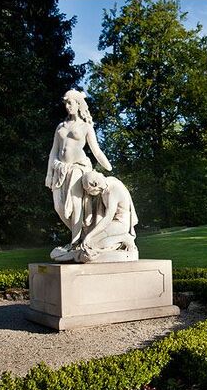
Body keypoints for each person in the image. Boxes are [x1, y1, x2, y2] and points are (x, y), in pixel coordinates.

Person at [45, 89, 112, 259]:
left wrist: (108, 166)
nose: (67, 106)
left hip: (78, 168)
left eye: (71, 103)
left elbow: (96, 150)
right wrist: (48, 174)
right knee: (59, 207)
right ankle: (82, 235)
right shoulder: (60, 126)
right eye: (66, 103)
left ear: (78, 104)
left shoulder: (86, 126)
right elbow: (53, 151)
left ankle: (75, 242)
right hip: (60, 169)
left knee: (75, 205)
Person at [77, 170, 138, 263]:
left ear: (95, 184)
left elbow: (108, 218)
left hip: (121, 224)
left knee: (92, 243)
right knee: (89, 243)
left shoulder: (112, 190)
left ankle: (125, 238)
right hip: (114, 223)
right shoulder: (107, 184)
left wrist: (89, 236)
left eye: (88, 190)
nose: (89, 194)